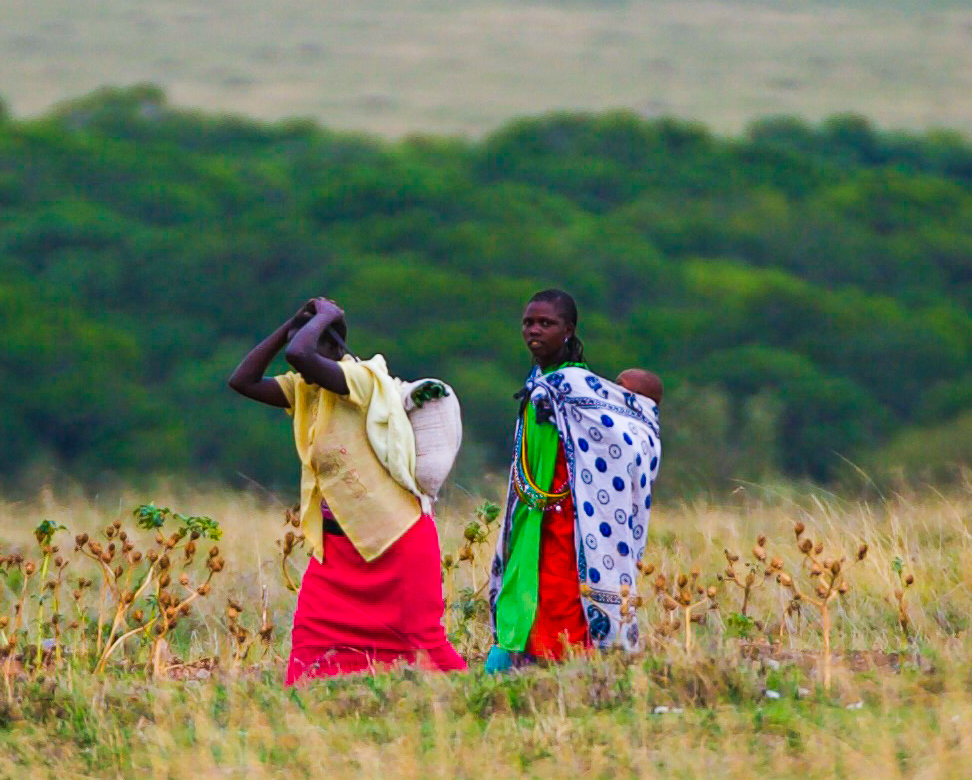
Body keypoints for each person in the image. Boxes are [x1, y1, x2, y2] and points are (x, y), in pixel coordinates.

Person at [228, 296, 466, 682]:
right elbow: (243, 380)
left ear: (334, 349)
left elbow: (300, 355)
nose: (297, 357)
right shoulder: (306, 389)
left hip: (397, 542)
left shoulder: (360, 379)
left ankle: (479, 698)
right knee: (312, 647)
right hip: (336, 550)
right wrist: (293, 321)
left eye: (311, 340)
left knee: (422, 645)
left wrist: (325, 316)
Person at [487, 289, 662, 672]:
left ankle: (569, 671)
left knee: (561, 592)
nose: (535, 330)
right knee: (525, 585)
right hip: (533, 515)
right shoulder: (538, 382)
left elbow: (625, 438)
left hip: (573, 518)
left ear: (568, 330)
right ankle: (519, 664)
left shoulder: (576, 385)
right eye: (529, 322)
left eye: (546, 323)